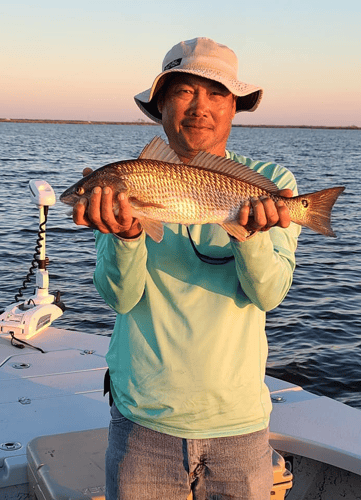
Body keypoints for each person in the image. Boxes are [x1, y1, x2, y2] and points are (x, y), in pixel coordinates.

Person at [73, 37, 300, 500]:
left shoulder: (274, 184)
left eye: (216, 93)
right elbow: (119, 298)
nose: (200, 107)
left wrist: (251, 235)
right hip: (144, 418)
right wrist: (127, 236)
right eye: (183, 91)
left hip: (239, 423)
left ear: (234, 106)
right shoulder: (123, 183)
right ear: (160, 106)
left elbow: (270, 295)